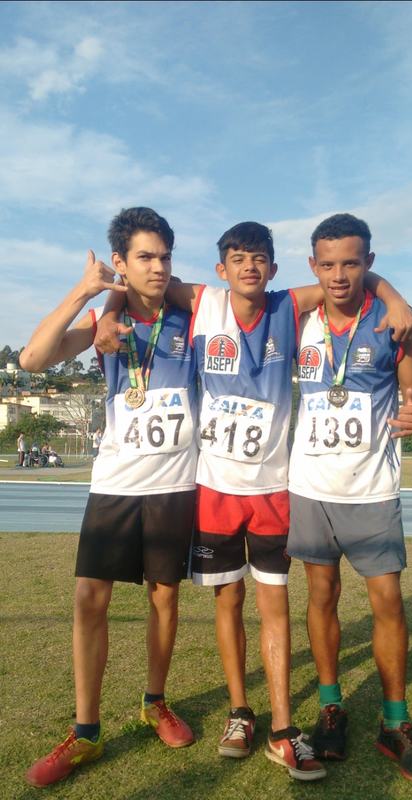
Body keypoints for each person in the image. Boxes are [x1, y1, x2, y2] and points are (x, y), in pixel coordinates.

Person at [94, 220, 412, 782]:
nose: (249, 267)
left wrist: (393, 296)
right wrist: (106, 312)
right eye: (238, 259)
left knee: (275, 604)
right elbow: (139, 283)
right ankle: (240, 713)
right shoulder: (203, 301)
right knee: (228, 601)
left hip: (273, 489)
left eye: (259, 258)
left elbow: (349, 276)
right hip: (215, 487)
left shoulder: (289, 305)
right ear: (222, 268)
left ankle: (284, 728)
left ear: (273, 268)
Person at [20, 206, 198, 787]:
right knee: (89, 599)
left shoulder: (192, 317)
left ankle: (155, 703)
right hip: (116, 484)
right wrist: (87, 291)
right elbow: (32, 359)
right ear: (120, 261)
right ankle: (86, 731)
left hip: (173, 484)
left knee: (164, 599)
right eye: (145, 257)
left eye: (164, 256)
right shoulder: (104, 320)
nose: (158, 267)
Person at [287, 213, 412, 784]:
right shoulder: (297, 320)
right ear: (313, 266)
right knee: (321, 596)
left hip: (372, 489)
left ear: (369, 263)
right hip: (310, 488)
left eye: (351, 263)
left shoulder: (391, 325)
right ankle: (332, 708)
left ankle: (394, 723)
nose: (339, 275)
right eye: (327, 264)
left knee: (388, 603)